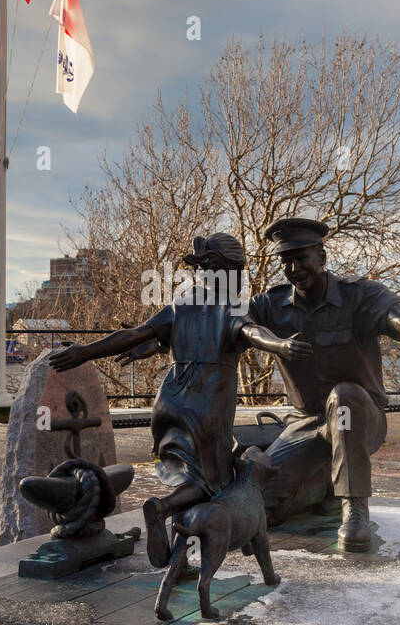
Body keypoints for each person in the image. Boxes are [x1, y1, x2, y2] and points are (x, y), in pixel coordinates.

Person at [47, 232, 311, 568]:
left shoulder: (180, 306)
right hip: (207, 408)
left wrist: (85, 352)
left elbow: (133, 334)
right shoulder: (233, 308)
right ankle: (163, 508)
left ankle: (180, 557)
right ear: (231, 273)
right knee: (209, 483)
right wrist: (282, 345)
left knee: (183, 473)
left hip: (170, 402)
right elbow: (252, 333)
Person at [246, 216, 400, 552]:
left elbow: (393, 314)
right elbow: (229, 322)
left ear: (322, 258)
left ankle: (354, 508)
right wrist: (164, 330)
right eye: (287, 261)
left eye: (302, 259)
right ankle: (323, 488)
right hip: (305, 424)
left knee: (344, 398)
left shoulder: (359, 296)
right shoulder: (271, 306)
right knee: (258, 510)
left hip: (359, 416)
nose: (295, 268)